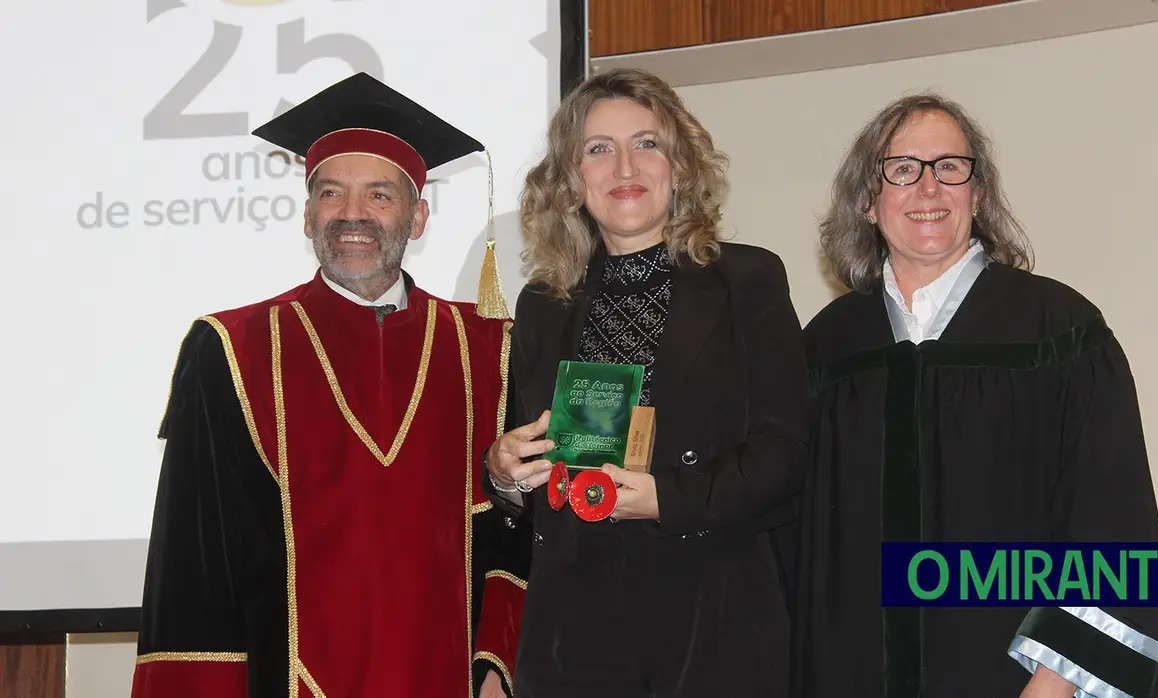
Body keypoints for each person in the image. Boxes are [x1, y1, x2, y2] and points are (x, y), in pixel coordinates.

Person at [129, 72, 528, 698]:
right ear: (308, 214)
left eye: (379, 195)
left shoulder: (487, 350)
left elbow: (517, 532)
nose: (352, 215)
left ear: (418, 216)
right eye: (331, 194)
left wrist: (497, 659)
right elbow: (196, 564)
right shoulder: (232, 350)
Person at [786, 92, 1158, 698]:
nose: (929, 188)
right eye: (902, 169)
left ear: (978, 193)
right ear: (867, 200)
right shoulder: (828, 350)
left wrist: (1055, 682)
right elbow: (794, 548)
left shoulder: (1058, 331)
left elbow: (1111, 518)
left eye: (950, 167)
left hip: (1018, 681)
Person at [482, 67, 811, 698]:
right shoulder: (542, 306)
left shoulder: (748, 280)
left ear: (680, 165)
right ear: (572, 180)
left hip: (712, 620)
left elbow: (785, 453)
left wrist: (665, 497)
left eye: (647, 143)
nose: (624, 166)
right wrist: (503, 469)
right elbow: (530, 467)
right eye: (598, 150)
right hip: (574, 632)